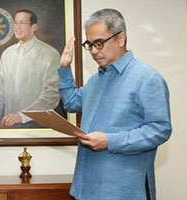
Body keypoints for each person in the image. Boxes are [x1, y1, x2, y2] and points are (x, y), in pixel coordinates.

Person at [59, 9, 171, 200]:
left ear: (121, 38)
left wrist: (110, 141)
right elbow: (70, 103)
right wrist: (64, 68)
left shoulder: (147, 78)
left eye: (99, 43)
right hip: (86, 187)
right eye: (89, 44)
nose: (94, 51)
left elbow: (160, 130)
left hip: (123, 190)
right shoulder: (95, 80)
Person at [0, 9, 60, 127]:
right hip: (8, 126)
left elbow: (51, 96)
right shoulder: (7, 54)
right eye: (15, 23)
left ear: (34, 27)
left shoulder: (50, 54)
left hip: (37, 126)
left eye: (22, 23)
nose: (17, 27)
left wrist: (21, 116)